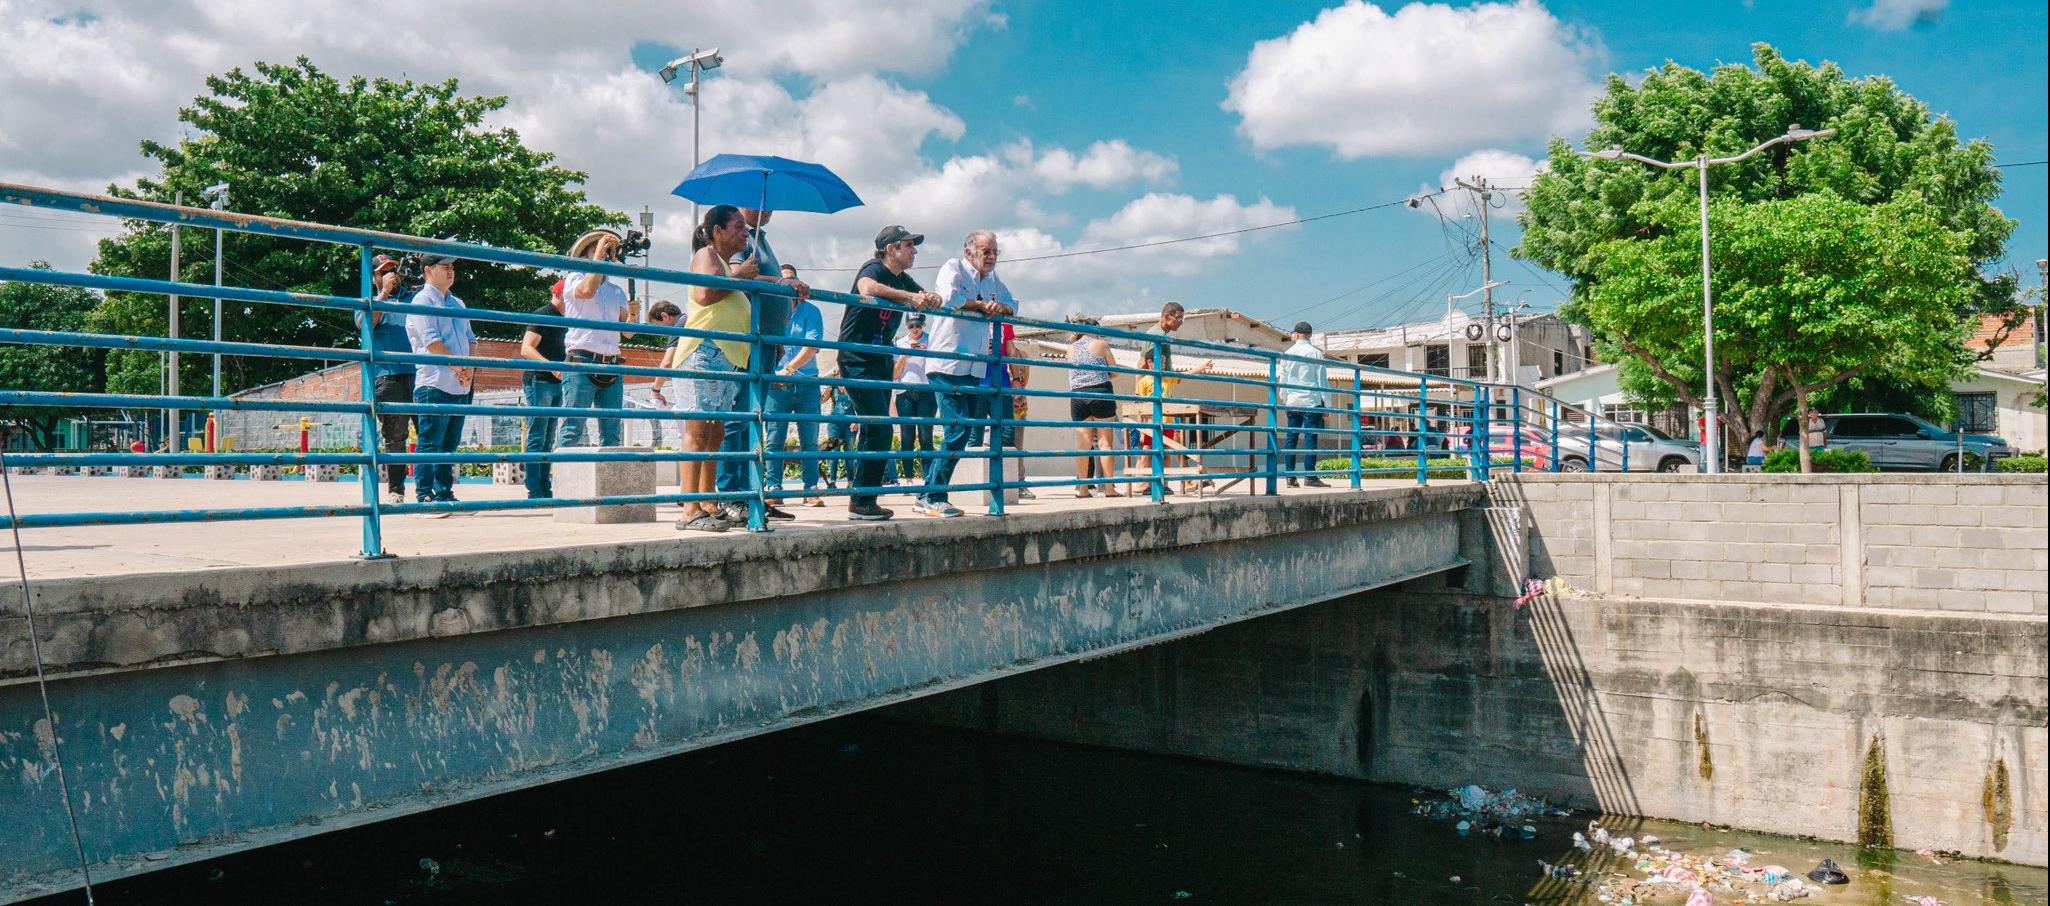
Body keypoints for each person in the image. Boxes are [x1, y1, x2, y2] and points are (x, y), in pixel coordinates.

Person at [713, 210, 810, 524]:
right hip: (747, 340)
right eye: (763, 205)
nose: (769, 210)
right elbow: (741, 275)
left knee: (752, 419)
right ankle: (732, 495)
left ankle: (752, 493)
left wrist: (778, 334)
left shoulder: (760, 238)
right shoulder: (743, 236)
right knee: (737, 419)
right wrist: (782, 281)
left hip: (766, 339)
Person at [843, 225, 943, 521]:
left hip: (881, 358)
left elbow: (921, 294)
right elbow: (867, 289)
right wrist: (908, 297)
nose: (914, 251)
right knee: (880, 426)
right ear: (891, 249)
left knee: (875, 427)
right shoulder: (873, 268)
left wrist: (929, 297)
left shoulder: (902, 277)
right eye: (909, 245)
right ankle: (862, 499)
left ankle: (863, 499)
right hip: (857, 356)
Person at [915, 230, 1015, 518]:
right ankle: (933, 494)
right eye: (986, 251)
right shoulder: (953, 268)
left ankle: (928, 491)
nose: (992, 257)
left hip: (974, 365)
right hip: (947, 363)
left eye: (995, 251)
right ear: (969, 251)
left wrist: (1001, 307)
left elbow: (1013, 303)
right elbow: (950, 297)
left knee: (964, 429)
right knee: (957, 429)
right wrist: (982, 306)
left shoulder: (994, 280)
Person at [668, 205, 753, 532]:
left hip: (724, 358)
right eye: (738, 226)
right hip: (703, 353)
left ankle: (707, 502)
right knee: (698, 431)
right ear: (717, 231)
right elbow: (704, 294)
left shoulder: (723, 264)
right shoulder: (707, 255)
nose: (745, 232)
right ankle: (690, 508)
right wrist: (738, 277)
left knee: (715, 432)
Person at [403, 255, 475, 514]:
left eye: (452, 267)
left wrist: (470, 368)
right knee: (430, 441)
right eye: (444, 267)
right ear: (427, 271)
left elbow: (471, 339)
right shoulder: (421, 301)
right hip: (434, 381)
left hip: (461, 383)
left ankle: (445, 491)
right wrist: (460, 368)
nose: (450, 271)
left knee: (450, 443)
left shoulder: (458, 303)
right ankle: (424, 495)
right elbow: (431, 342)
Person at [556, 230, 636, 449]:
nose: (603, 255)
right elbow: (587, 291)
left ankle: (609, 481)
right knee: (573, 426)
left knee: (612, 430)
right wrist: (599, 257)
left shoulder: (616, 290)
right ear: (584, 256)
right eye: (596, 250)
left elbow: (628, 332)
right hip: (582, 359)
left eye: (607, 252)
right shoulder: (573, 278)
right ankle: (564, 480)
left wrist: (634, 314)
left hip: (611, 361)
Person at [764, 269, 826, 508]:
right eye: (783, 279)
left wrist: (787, 369)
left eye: (791, 279)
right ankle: (774, 488)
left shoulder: (811, 311)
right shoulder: (771, 310)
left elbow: (811, 346)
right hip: (777, 383)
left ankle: (811, 489)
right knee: (773, 438)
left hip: (805, 380)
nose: (788, 284)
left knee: (809, 438)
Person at [358, 254, 415, 505]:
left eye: (394, 269)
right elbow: (366, 326)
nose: (392, 275)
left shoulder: (413, 299)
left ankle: (431, 490)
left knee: (430, 433)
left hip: (422, 373)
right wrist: (383, 296)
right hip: (389, 376)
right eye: (384, 272)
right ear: (375, 278)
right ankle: (397, 490)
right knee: (395, 436)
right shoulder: (368, 302)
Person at [517, 284, 570, 499]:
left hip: (556, 381)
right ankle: (534, 488)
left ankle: (543, 486)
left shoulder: (567, 320)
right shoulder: (543, 314)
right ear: (557, 294)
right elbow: (526, 348)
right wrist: (551, 366)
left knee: (548, 437)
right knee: (538, 435)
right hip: (539, 380)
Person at [1067, 317, 1123, 498]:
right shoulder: (1101, 344)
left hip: (1077, 396)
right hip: (1100, 392)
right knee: (1105, 443)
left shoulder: (1070, 348)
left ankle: (1083, 489)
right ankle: (1108, 488)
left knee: (1083, 444)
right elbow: (1114, 372)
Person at [1278, 320, 1331, 488]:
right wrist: (1327, 405)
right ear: (1308, 335)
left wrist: (1284, 397)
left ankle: (1290, 476)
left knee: (1291, 438)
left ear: (1298, 334)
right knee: (1310, 438)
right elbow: (1322, 381)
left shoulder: (1287, 353)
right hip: (1311, 401)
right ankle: (1310, 477)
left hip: (1293, 401)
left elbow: (1283, 379)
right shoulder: (1316, 354)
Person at [891, 314, 935, 484]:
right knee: (906, 436)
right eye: (911, 326)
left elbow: (938, 366)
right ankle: (908, 478)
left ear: (923, 324)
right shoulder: (900, 343)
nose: (915, 329)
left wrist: (928, 353)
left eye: (918, 325)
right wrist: (903, 358)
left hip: (927, 390)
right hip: (905, 392)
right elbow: (895, 374)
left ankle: (928, 478)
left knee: (926, 436)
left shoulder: (932, 340)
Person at [642, 301, 684, 450]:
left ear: (665, 316)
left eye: (658, 326)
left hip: (695, 392)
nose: (661, 333)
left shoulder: (679, 327)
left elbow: (666, 363)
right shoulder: (692, 320)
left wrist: (655, 391)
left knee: (690, 436)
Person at [820, 376, 855, 490]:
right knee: (834, 452)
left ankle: (850, 481)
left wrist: (857, 421)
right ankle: (832, 481)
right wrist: (827, 389)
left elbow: (859, 404)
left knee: (849, 452)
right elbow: (821, 400)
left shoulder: (852, 385)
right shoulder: (832, 387)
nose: (839, 375)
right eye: (837, 373)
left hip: (850, 423)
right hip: (834, 423)